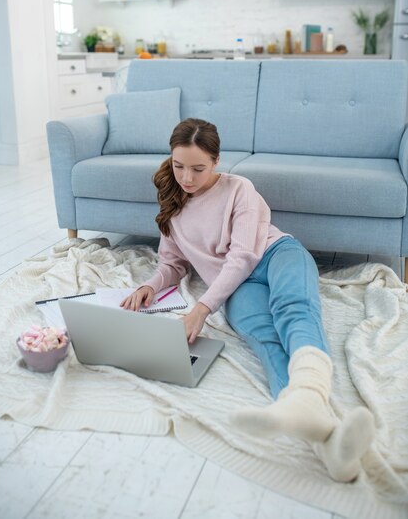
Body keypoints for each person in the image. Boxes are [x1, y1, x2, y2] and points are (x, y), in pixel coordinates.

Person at [120, 118, 375, 482]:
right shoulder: (173, 202)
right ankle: (329, 445)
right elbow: (173, 263)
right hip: (236, 287)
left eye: (198, 168)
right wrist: (151, 283)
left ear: (217, 161)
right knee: (265, 337)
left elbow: (242, 256)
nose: (187, 178)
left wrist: (202, 309)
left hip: (275, 254)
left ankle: (303, 399)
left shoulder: (240, 189)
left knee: (293, 310)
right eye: (179, 166)